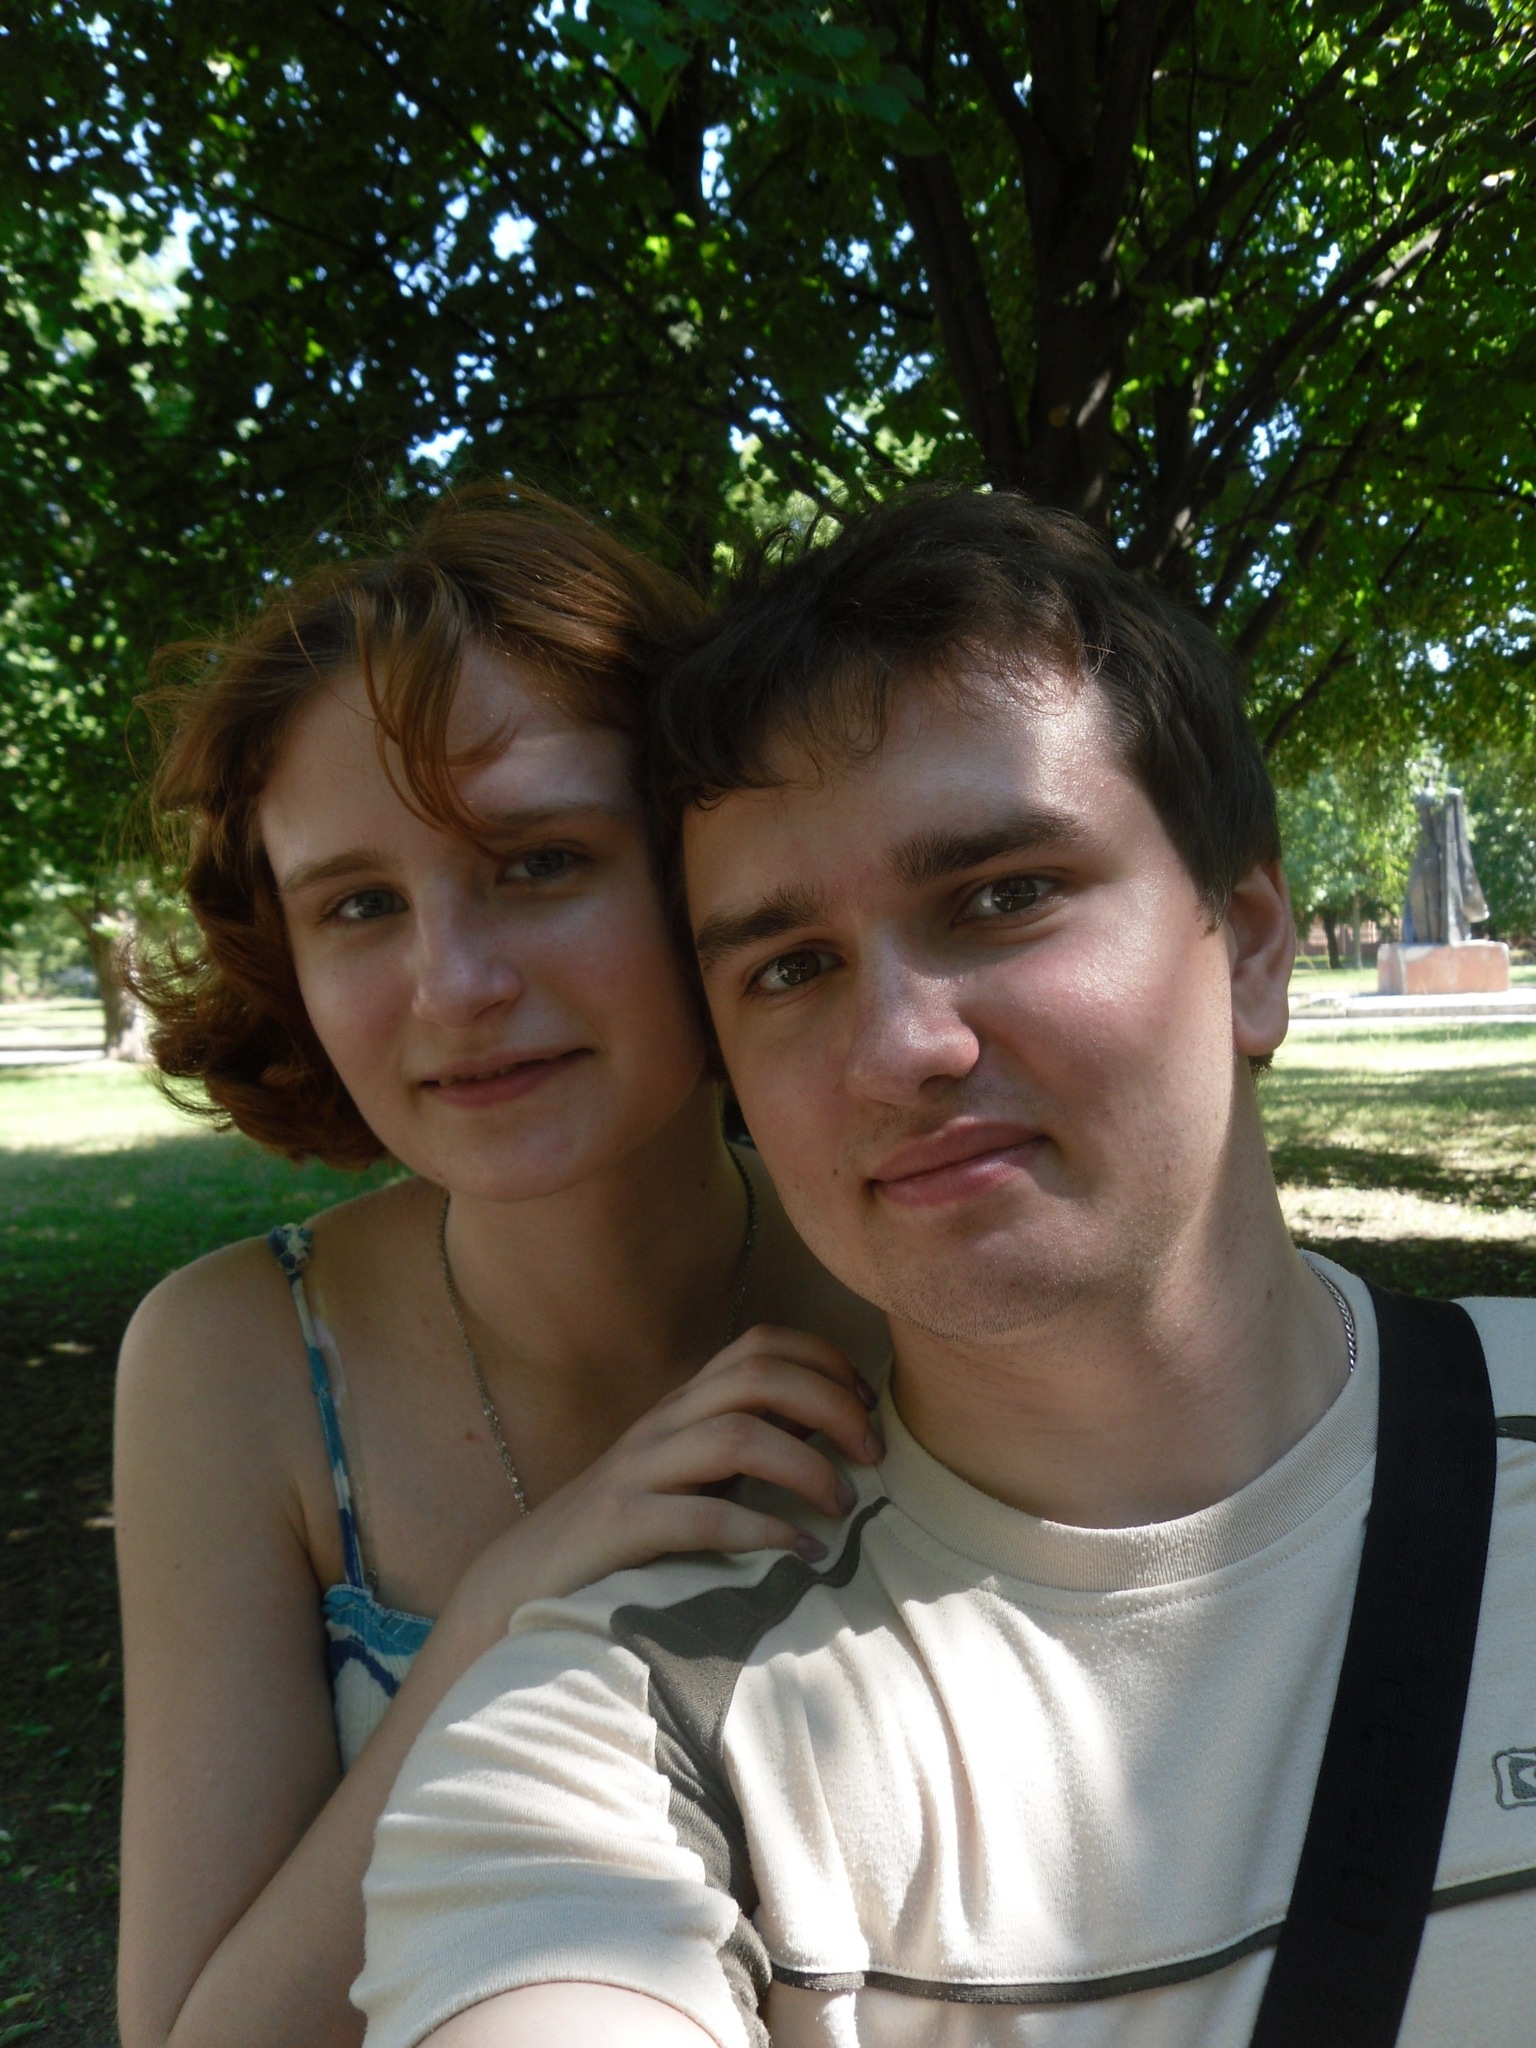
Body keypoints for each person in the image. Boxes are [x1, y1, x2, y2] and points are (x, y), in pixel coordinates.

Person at [355, 488, 1536, 2048]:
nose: (900, 1047)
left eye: (1004, 896)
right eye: (792, 967)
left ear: (1249, 943)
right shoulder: (636, 1727)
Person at [113, 485, 888, 2048]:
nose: (453, 983)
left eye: (536, 862)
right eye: (359, 904)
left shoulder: (918, 1287)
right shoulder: (238, 1365)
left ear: (705, 866)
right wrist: (502, 1612)